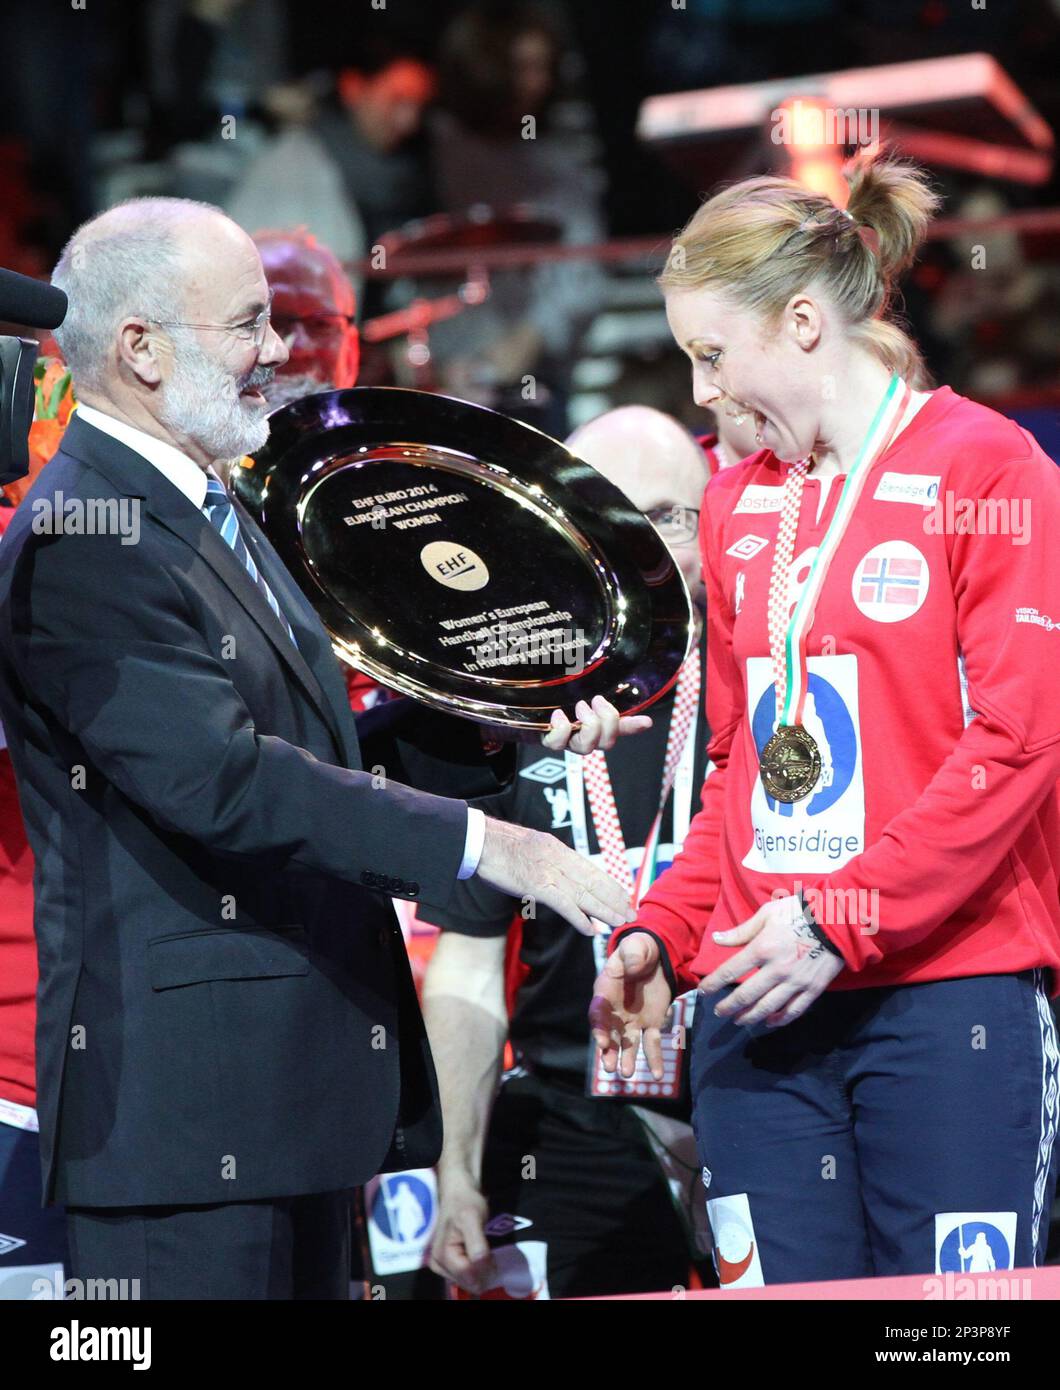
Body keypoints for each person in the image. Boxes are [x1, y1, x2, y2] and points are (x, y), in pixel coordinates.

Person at [0, 195, 646, 1300]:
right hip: (187, 1124)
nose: (277, 351)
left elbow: (316, 743)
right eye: (247, 322)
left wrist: (489, 729)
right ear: (141, 350)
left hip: (288, 1103)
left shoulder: (206, 499)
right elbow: (225, 782)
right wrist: (485, 844)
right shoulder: (80, 536)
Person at [591, 147, 1060, 1286]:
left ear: (803, 321)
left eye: (711, 355)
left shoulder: (988, 471)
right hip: (758, 1003)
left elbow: (1020, 746)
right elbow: (742, 771)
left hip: (946, 999)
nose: (698, 393)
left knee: (946, 1344)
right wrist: (662, 926)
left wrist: (841, 920)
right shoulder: (740, 506)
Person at [421, 406, 718, 1299]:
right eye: (608, 513)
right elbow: (468, 971)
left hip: (764, 1095)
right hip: (578, 1117)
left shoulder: (770, 685)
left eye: (667, 516)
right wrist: (456, 1171)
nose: (641, 545)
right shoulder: (510, 715)